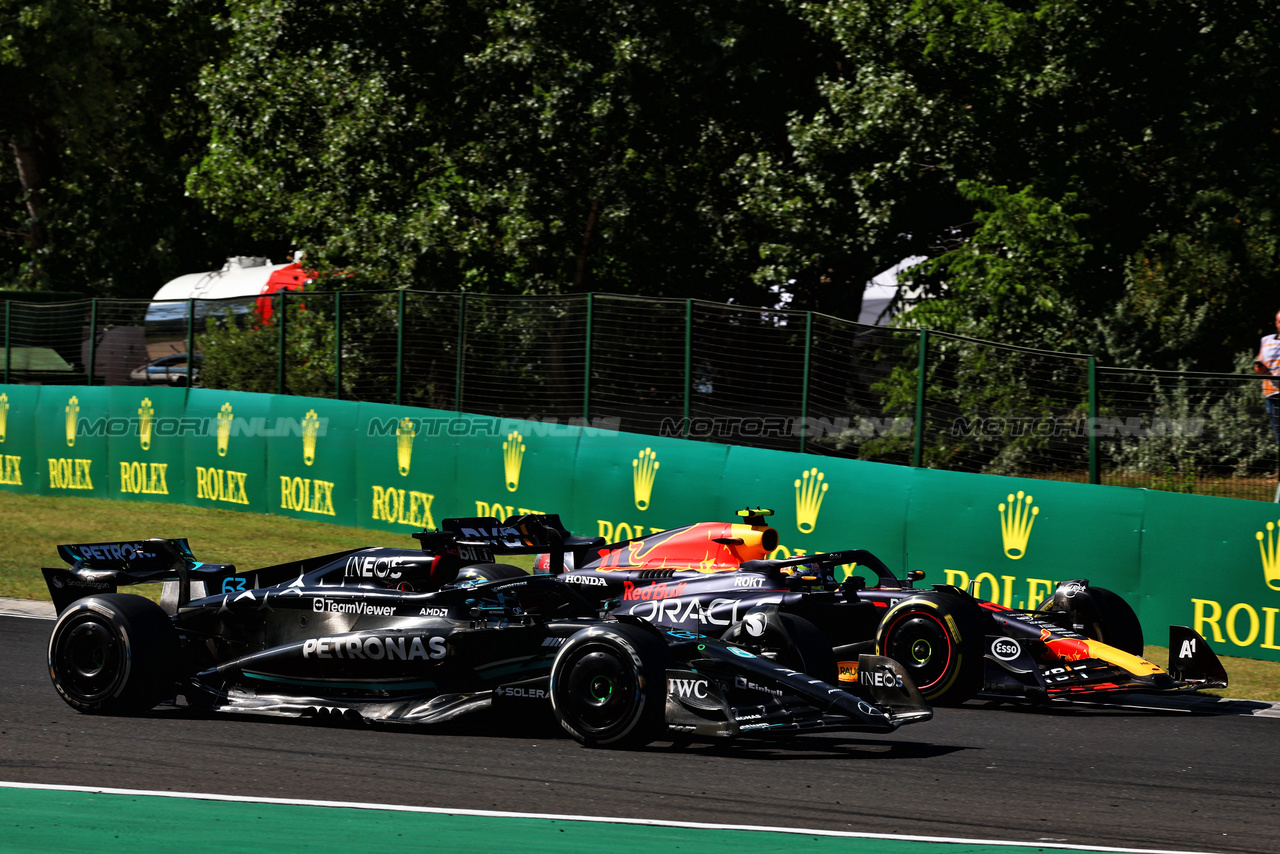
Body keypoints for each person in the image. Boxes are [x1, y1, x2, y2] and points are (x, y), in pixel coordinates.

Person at [1254, 310, 1280, 459]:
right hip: (1272, 394)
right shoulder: (1266, 340)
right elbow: (1259, 363)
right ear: (1276, 323)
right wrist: (1260, 368)